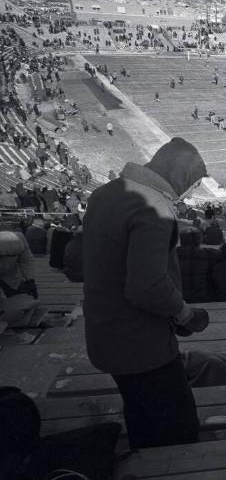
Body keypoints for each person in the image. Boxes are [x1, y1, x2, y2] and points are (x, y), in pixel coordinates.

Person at [82, 138, 211, 449]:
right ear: (179, 174)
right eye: (191, 183)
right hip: (141, 345)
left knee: (141, 413)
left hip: (104, 332)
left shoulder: (103, 194)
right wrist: (185, 313)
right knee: (176, 430)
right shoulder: (153, 207)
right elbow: (147, 286)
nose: (189, 191)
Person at [0, 231, 40, 328]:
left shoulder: (20, 238)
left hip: (11, 276)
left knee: (27, 300)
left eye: (14, 255)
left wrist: (30, 280)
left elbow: (26, 260)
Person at [177, 227, 220, 304]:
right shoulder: (209, 253)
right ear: (199, 240)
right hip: (203, 296)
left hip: (180, 296)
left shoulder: (173, 254)